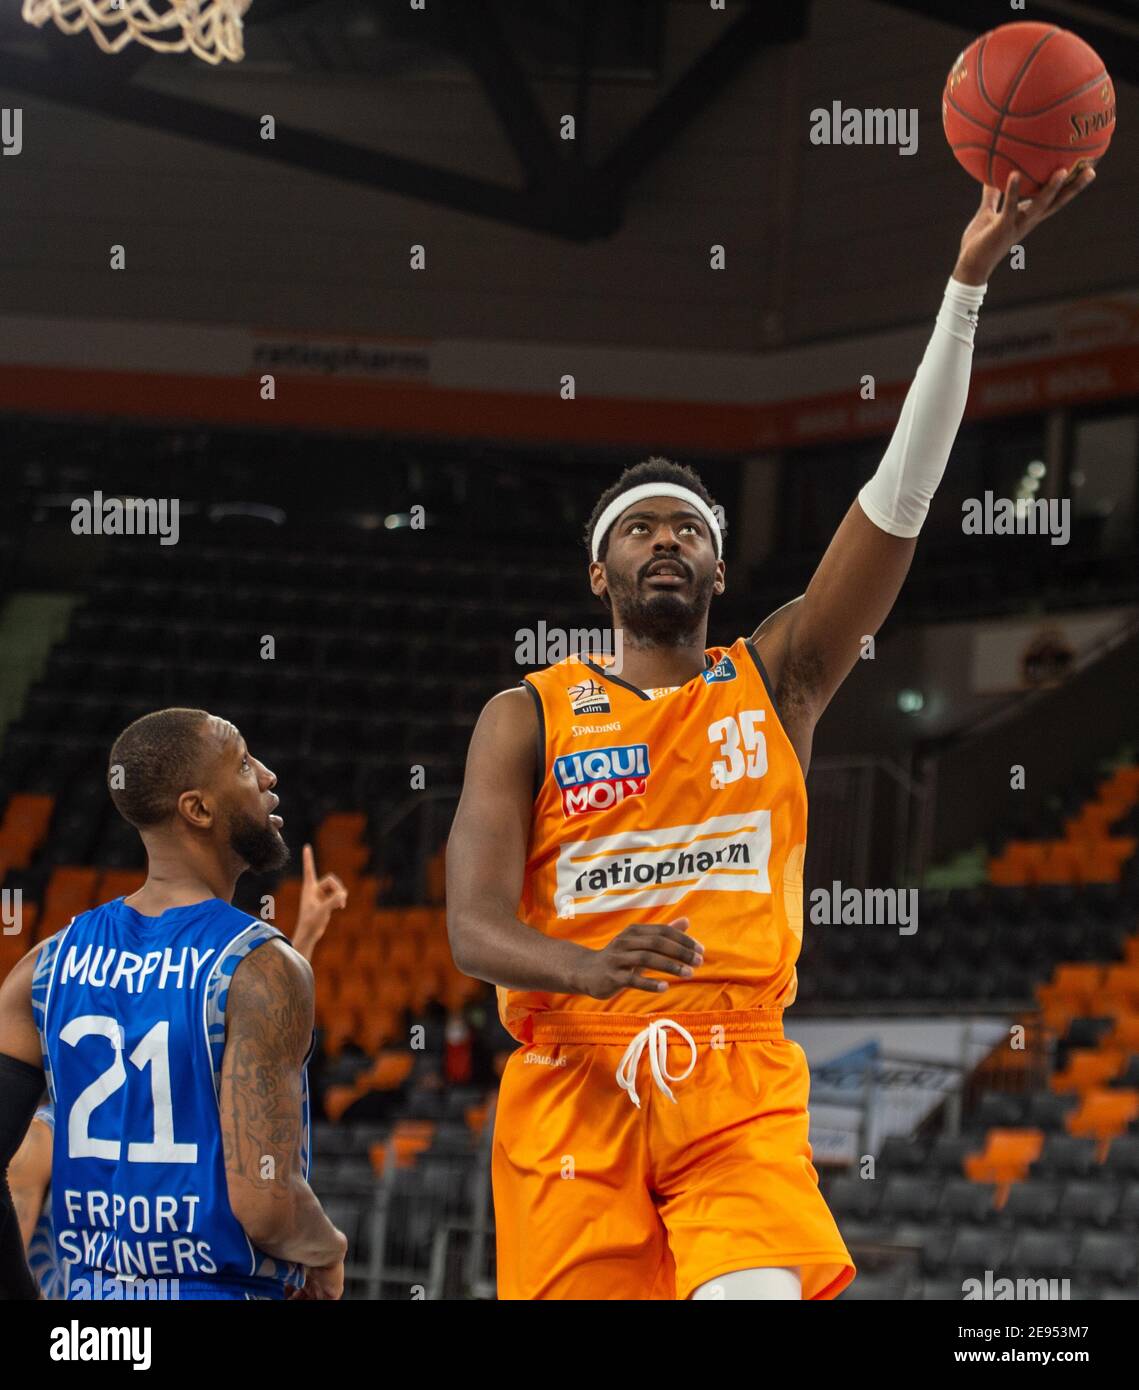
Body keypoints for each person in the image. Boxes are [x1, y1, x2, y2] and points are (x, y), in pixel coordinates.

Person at [446, 168, 1094, 1301]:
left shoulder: (779, 675)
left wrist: (965, 287)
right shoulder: (525, 712)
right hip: (569, 1078)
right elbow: (472, 925)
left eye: (687, 530)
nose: (664, 541)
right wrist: (586, 967)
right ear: (596, 571)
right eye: (638, 529)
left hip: (734, 1069)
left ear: (716, 567)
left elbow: (895, 503)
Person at [0, 708, 348, 1300]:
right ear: (199, 809)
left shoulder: (43, 966)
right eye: (243, 764)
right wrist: (328, 1249)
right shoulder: (260, 964)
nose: (268, 776)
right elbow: (265, 1204)